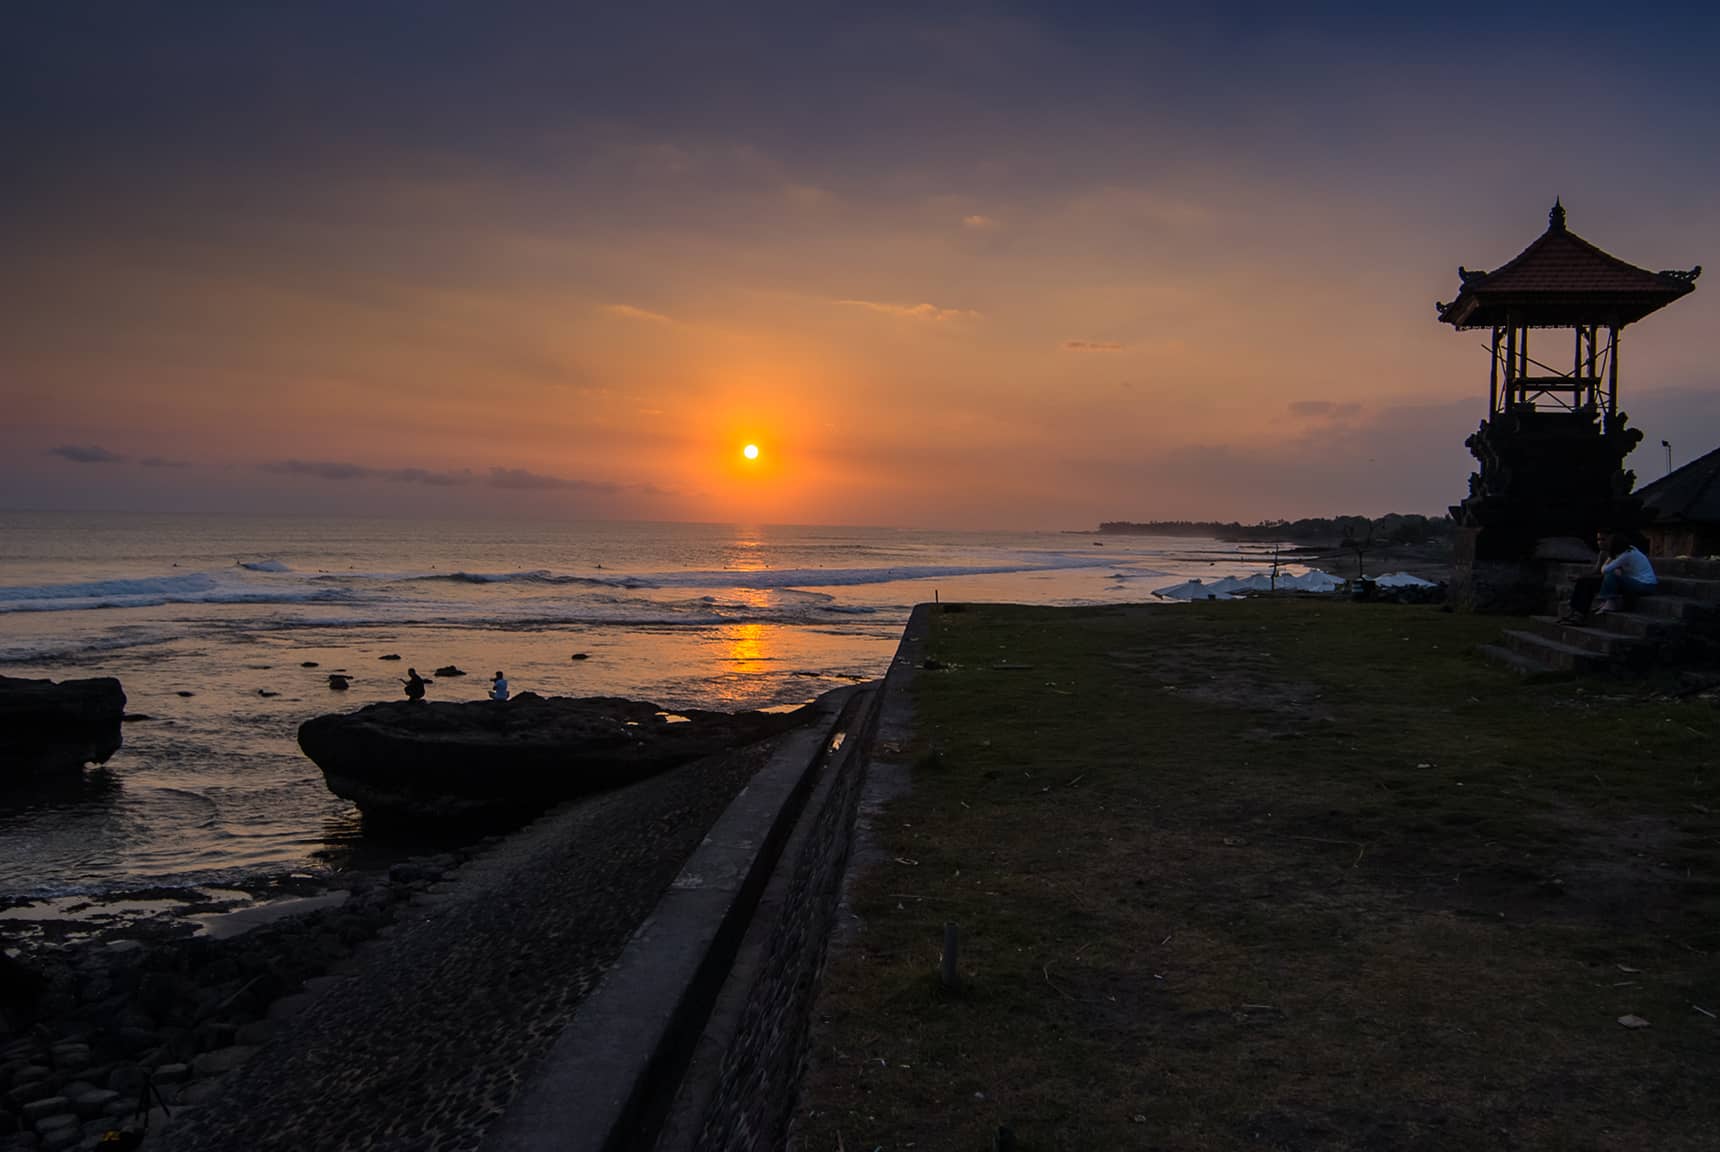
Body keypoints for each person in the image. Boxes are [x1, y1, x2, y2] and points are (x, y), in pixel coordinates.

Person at [1563, 532, 1655, 621]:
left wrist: (1610, 557)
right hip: (1627, 581)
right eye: (1599, 539)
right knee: (1584, 582)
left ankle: (1605, 601)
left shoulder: (1626, 554)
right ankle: (1575, 611)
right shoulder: (1620, 552)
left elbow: (1604, 570)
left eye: (1603, 539)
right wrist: (1582, 577)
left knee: (1611, 575)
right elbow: (1598, 571)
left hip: (1644, 584)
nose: (1600, 542)